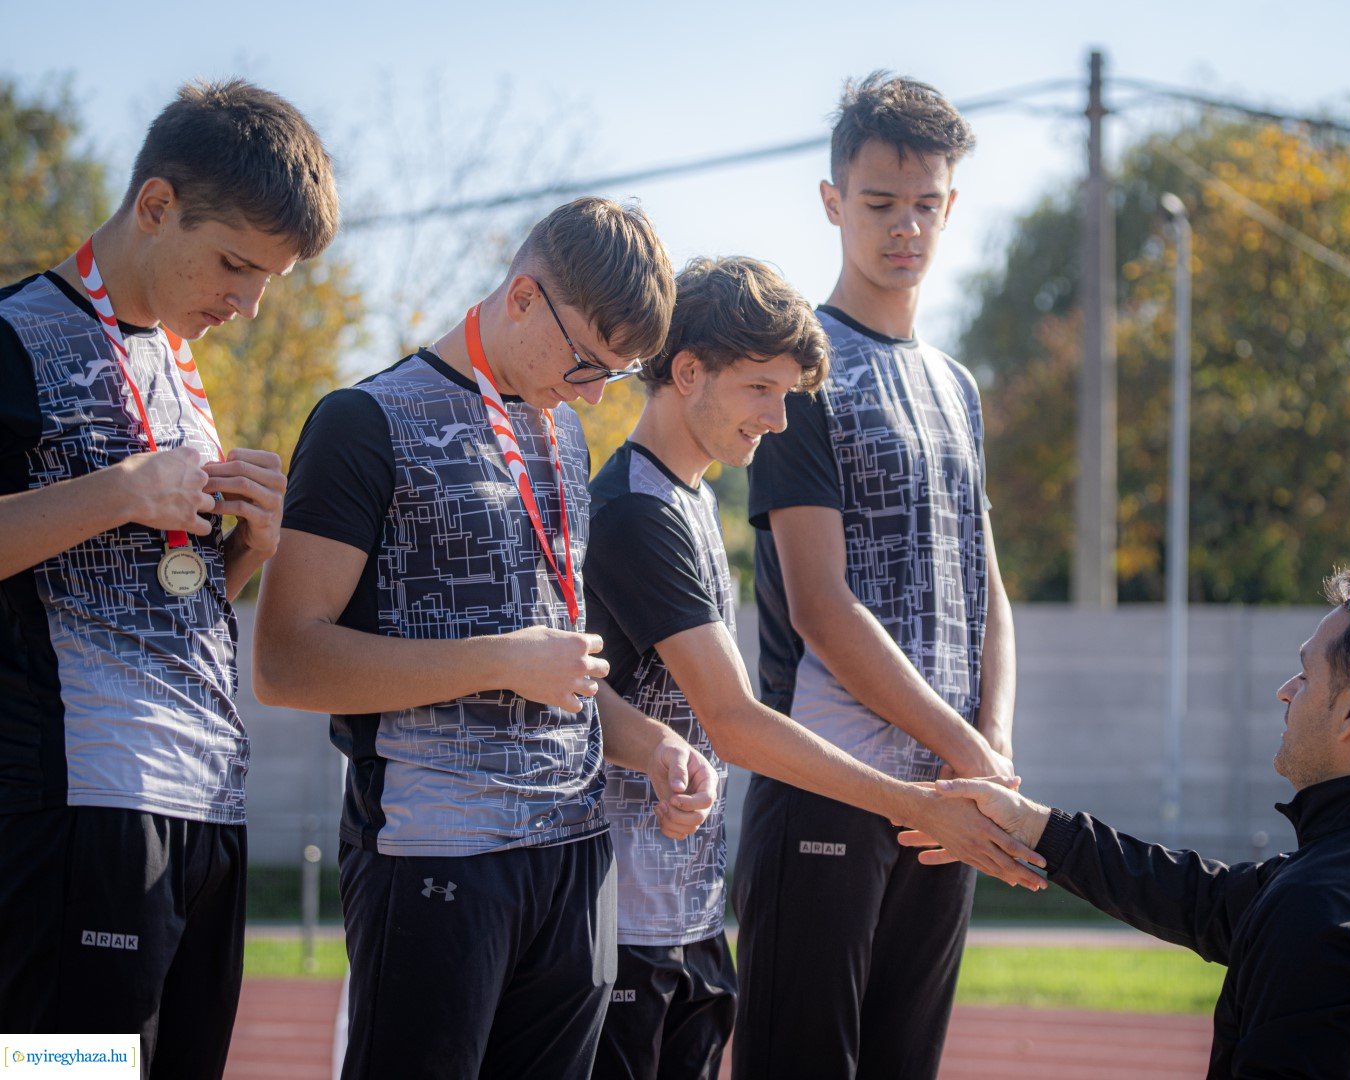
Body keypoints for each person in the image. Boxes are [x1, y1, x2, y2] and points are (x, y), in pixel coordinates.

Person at [253, 196, 718, 1080]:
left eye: (616, 374)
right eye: (586, 363)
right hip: (436, 849)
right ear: (523, 297)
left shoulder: (565, 434)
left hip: (576, 856)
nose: (593, 393)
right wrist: (500, 661)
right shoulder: (363, 420)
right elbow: (284, 661)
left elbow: (560, 672)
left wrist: (653, 745)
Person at [584, 257, 1045, 1080]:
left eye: (788, 393)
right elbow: (734, 722)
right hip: (618, 920)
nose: (779, 418)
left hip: (682, 915)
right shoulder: (635, 512)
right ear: (687, 373)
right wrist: (914, 803)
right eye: (762, 389)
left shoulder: (690, 499)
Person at [0, 79, 337, 1078]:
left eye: (268, 279)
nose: (249, 302)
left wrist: (251, 549)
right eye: (235, 263)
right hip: (81, 807)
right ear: (154, 206)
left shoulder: (178, 369)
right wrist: (122, 490)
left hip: (205, 809)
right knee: (69, 1072)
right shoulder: (15, 336)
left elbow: (159, 599)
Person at [906, 571, 1350, 1079]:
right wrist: (1035, 827)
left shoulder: (1326, 911)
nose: (1285, 692)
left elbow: (1293, 918)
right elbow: (1206, 900)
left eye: (1306, 676)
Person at [733, 73, 1014, 1079]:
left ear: (951, 206)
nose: (906, 227)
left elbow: (986, 588)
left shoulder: (957, 385)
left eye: (926, 204)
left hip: (948, 797)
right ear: (832, 201)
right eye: (881, 202)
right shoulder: (798, 375)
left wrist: (993, 748)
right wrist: (962, 745)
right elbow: (820, 605)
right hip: (827, 785)